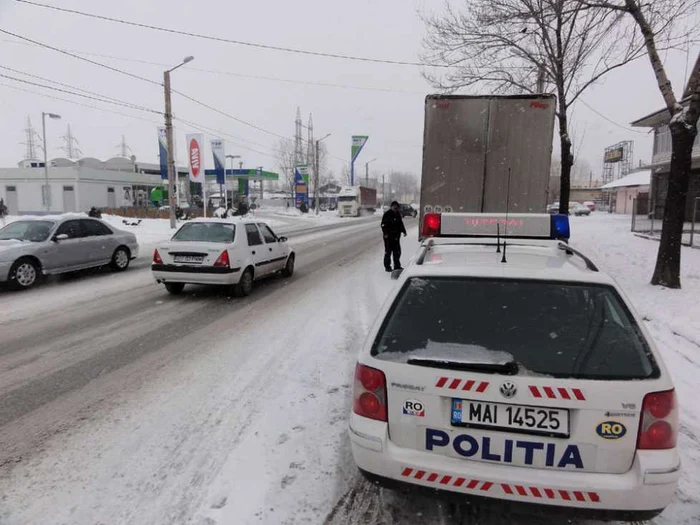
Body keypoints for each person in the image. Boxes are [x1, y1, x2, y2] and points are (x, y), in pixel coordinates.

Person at [381, 201, 407, 272]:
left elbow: (400, 224)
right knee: (388, 252)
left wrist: (404, 231)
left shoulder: (398, 214)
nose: (395, 208)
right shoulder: (387, 214)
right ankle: (387, 267)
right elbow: (383, 225)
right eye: (394, 207)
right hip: (388, 237)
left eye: (396, 207)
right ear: (391, 207)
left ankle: (397, 266)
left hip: (396, 237)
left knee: (397, 252)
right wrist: (385, 233)